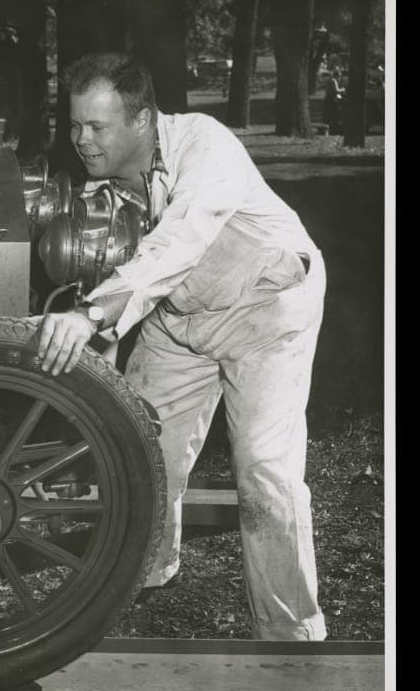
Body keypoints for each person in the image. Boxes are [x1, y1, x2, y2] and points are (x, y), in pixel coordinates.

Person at [36, 53, 327, 641]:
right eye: (74, 125)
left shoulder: (206, 145)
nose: (82, 141)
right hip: (181, 317)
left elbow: (180, 240)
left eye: (97, 127)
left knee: (264, 472)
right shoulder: (101, 182)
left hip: (266, 310)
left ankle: (292, 635)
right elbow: (112, 265)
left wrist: (90, 316)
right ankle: (148, 567)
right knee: (143, 448)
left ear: (142, 119)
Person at [323, 67, 345, 135]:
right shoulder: (334, 81)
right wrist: (343, 89)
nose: (339, 78)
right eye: (339, 76)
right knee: (334, 114)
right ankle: (334, 130)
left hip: (327, 99)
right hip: (332, 100)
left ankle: (327, 131)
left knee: (328, 115)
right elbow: (336, 90)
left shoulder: (329, 80)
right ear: (337, 76)